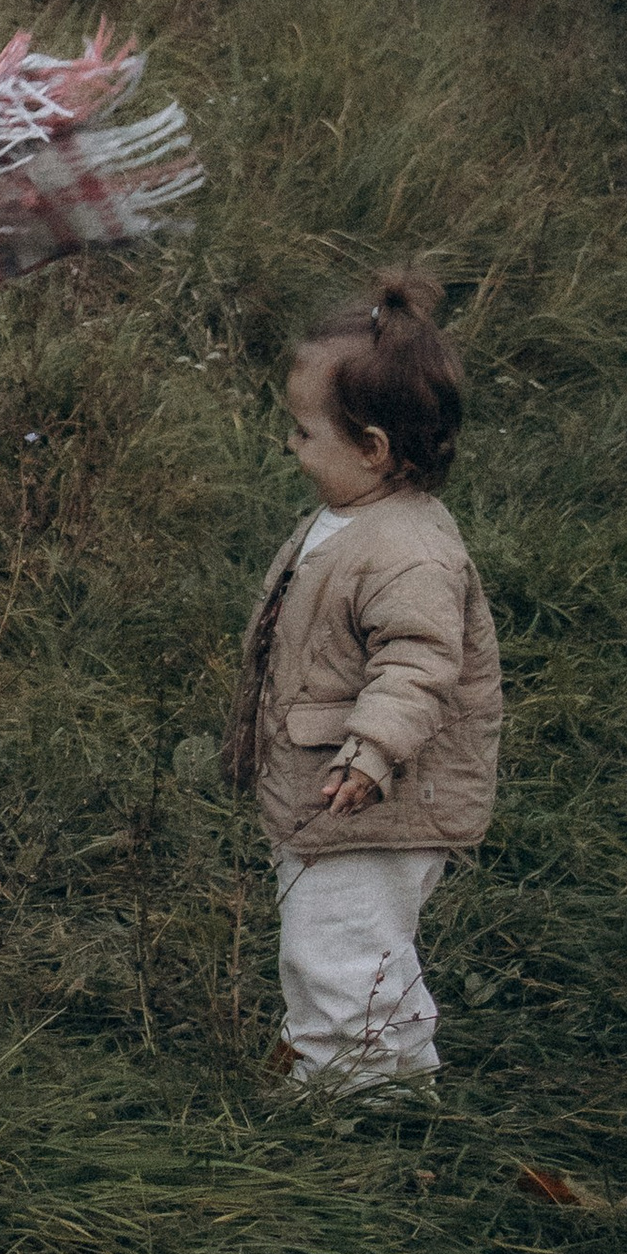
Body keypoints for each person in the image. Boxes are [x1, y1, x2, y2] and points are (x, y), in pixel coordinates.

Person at [227, 269, 502, 1088]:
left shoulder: (408, 551)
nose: (291, 444)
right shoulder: (357, 512)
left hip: (375, 802)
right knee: (359, 940)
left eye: (306, 432)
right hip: (332, 788)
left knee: (337, 945)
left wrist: (371, 751)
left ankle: (350, 1105)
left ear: (373, 449)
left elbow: (419, 665)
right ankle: (398, 1065)